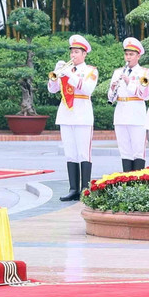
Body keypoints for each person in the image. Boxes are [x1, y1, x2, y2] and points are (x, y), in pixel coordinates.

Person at [48, 34, 98, 201]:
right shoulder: (66, 69)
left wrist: (70, 74)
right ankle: (73, 188)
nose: (73, 55)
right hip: (66, 114)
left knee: (84, 153)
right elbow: (53, 90)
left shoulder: (90, 70)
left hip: (82, 114)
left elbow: (87, 89)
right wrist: (56, 74)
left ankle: (85, 189)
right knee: (70, 153)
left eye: (77, 52)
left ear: (84, 54)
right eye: (72, 52)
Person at [107, 38, 148, 172]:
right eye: (127, 54)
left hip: (136, 114)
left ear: (138, 56)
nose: (128, 57)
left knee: (137, 150)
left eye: (131, 54)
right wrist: (113, 89)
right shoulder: (118, 72)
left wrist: (129, 82)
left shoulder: (144, 73)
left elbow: (145, 95)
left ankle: (137, 182)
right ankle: (126, 181)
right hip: (120, 114)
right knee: (125, 150)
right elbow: (110, 97)